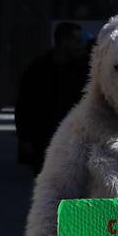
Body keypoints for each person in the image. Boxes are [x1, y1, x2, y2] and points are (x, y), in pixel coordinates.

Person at [15, 22, 89, 174]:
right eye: (76, 41)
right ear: (63, 41)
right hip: (44, 139)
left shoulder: (82, 69)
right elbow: (24, 105)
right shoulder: (39, 69)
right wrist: (25, 139)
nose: (79, 45)